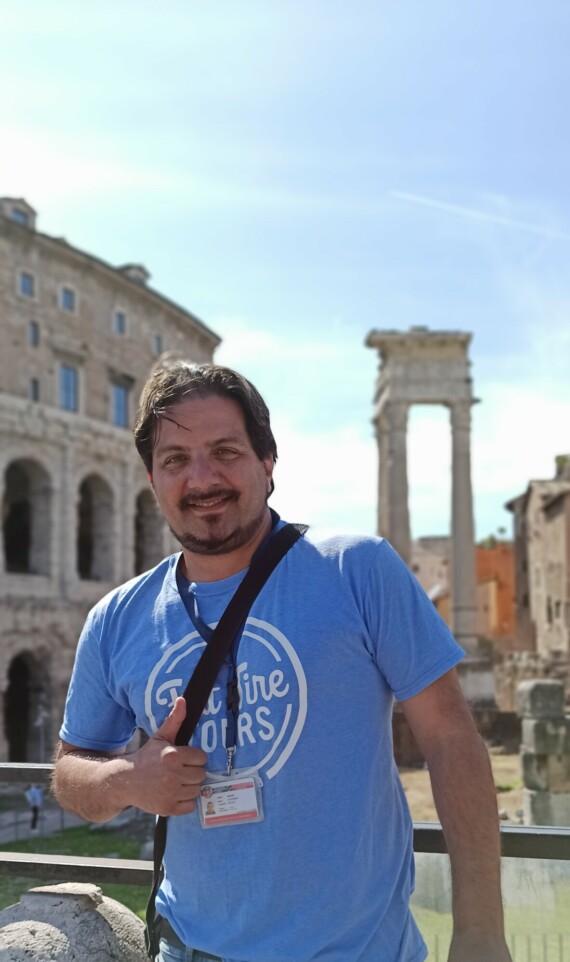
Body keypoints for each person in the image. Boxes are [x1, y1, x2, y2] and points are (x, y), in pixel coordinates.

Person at [53, 362, 512, 962]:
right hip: (190, 950)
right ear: (152, 479)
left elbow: (452, 740)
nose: (202, 477)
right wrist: (128, 780)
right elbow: (69, 773)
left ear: (267, 464)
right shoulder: (115, 618)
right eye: (176, 459)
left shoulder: (358, 569)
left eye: (225, 450)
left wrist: (479, 932)